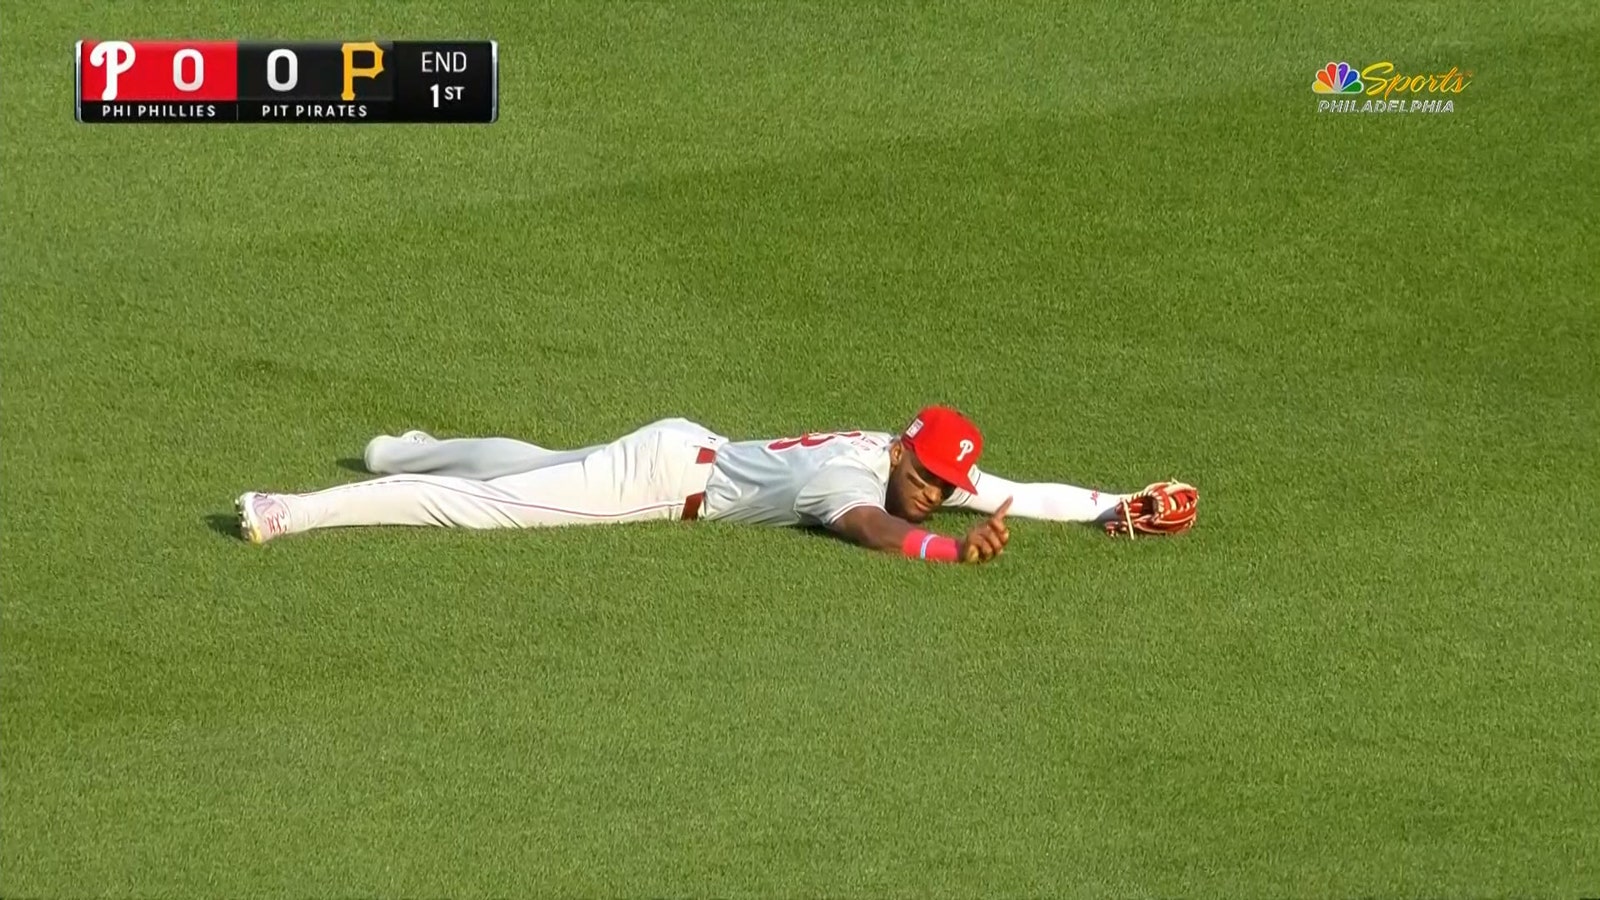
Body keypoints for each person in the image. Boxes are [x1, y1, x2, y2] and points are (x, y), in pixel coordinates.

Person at [235, 405, 1196, 563]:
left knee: (532, 469)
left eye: (950, 489)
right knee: (489, 512)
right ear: (903, 453)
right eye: (933, 482)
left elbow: (1013, 489)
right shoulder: (849, 478)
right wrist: (944, 551)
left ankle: (401, 448)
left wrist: (1113, 505)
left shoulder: (910, 460)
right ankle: (291, 509)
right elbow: (865, 525)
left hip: (683, 448)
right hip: (662, 478)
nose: (941, 495)